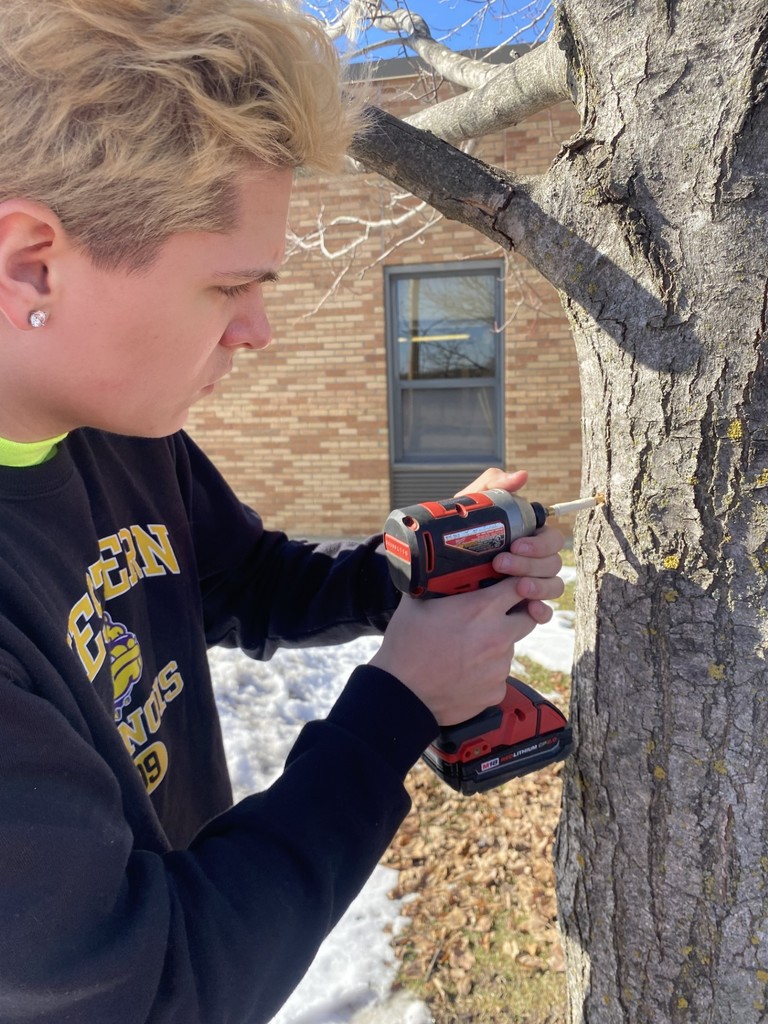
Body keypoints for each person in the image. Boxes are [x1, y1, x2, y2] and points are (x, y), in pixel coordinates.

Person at [0, 1, 566, 1021]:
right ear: (29, 261)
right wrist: (399, 700)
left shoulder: (123, 433)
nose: (259, 331)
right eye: (230, 288)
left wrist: (408, 564)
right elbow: (154, 986)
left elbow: (240, 581)